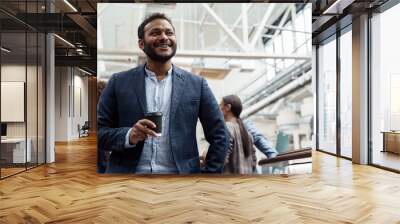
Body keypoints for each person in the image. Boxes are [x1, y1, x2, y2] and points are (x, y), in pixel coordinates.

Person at [97, 13, 229, 174]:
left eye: (169, 32)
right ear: (141, 43)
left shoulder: (196, 84)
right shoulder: (118, 82)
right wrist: (129, 135)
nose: (164, 37)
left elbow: (220, 136)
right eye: (155, 33)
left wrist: (209, 176)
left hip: (180, 183)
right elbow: (98, 132)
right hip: (126, 180)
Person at [219, 95, 256, 174]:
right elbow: (254, 162)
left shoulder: (227, 127)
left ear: (228, 107)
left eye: (220, 105)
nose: (218, 109)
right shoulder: (247, 133)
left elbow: (221, 160)